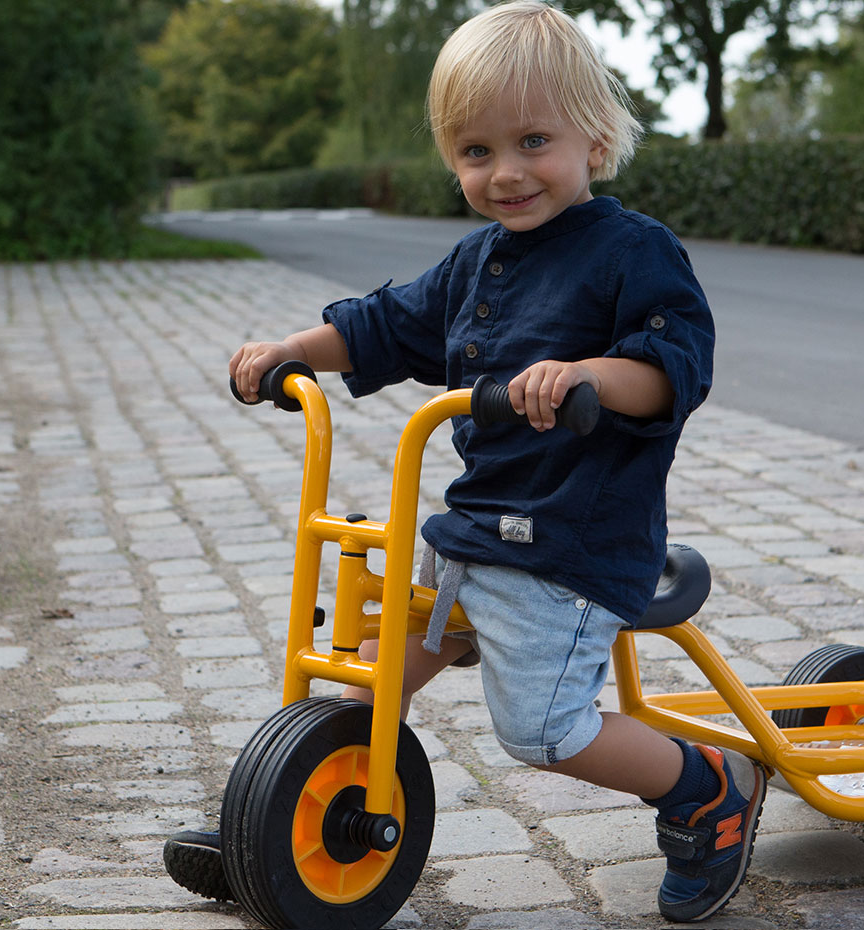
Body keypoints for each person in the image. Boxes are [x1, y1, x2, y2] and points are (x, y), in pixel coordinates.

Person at [180, 1, 765, 922]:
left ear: (595, 135)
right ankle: (281, 811)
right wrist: (290, 350)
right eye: (476, 151)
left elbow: (671, 371)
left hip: (566, 549)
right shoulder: (476, 264)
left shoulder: (632, 252)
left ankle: (707, 788)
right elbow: (382, 322)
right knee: (370, 673)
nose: (507, 172)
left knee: (541, 731)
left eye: (533, 140)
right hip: (472, 537)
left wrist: (587, 377)